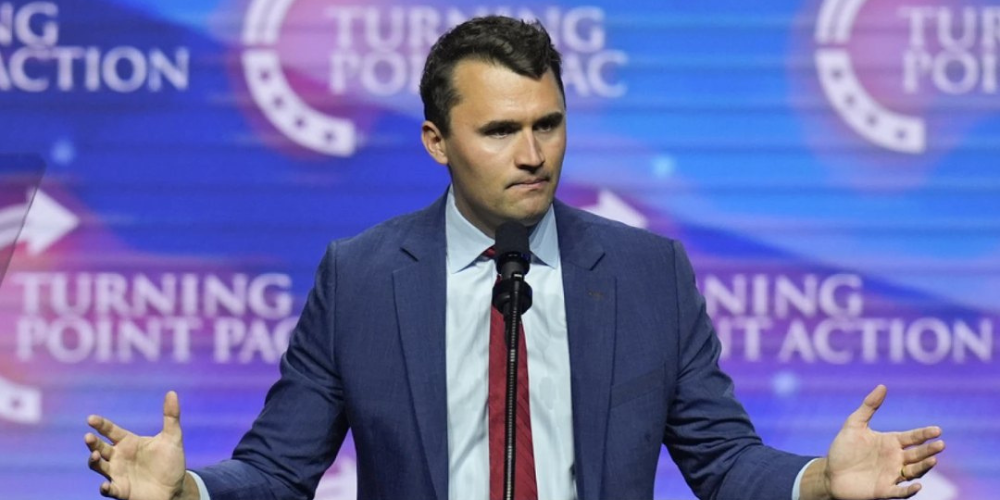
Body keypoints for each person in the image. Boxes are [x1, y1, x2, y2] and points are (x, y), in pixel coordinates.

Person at [84, 15, 944, 500]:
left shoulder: (648, 274)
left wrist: (819, 482)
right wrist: (186, 492)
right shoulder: (361, 278)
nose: (533, 154)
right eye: (500, 131)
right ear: (436, 141)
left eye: (549, 124)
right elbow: (279, 468)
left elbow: (722, 460)